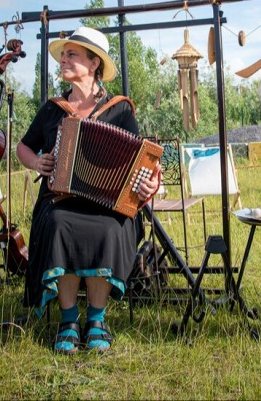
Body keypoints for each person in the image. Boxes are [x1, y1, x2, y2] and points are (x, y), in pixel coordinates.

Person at [17, 26, 160, 354]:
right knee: (57, 224)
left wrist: (151, 183)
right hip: (59, 199)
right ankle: (68, 320)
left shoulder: (119, 109)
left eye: (72, 55)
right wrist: (36, 162)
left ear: (94, 64)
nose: (64, 60)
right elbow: (23, 147)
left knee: (111, 228)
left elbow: (144, 160)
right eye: (63, 55)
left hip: (106, 205)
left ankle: (96, 318)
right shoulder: (53, 109)